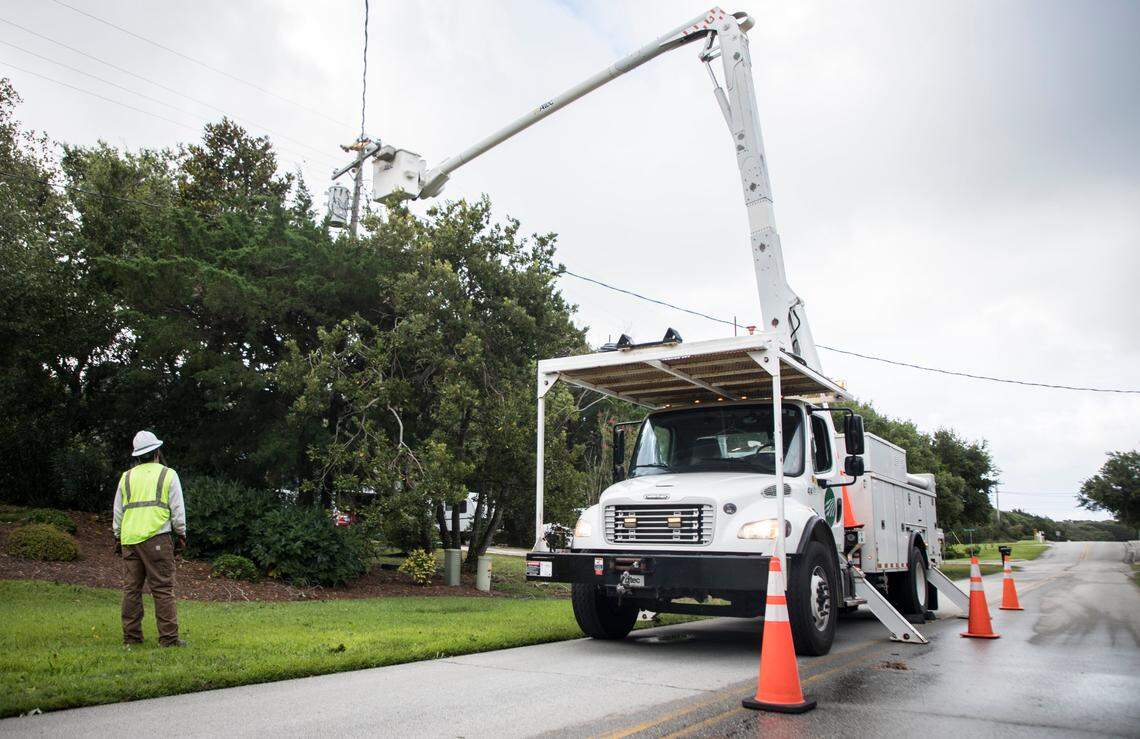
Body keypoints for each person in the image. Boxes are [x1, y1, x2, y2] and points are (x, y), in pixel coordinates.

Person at [112, 430, 187, 647]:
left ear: (137, 455)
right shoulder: (168, 474)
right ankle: (169, 639)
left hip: (129, 539)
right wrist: (181, 533)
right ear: (157, 451)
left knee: (131, 590)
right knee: (162, 589)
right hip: (157, 538)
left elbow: (118, 511)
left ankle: (131, 638)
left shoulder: (126, 477)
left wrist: (117, 535)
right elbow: (177, 509)